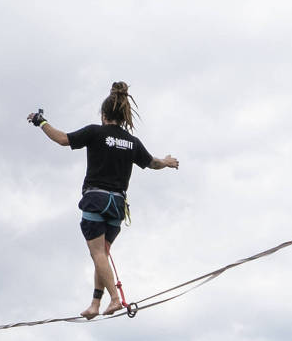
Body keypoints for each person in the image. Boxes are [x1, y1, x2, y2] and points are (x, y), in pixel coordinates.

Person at [30, 83, 180, 319]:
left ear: (103, 115)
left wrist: (41, 122)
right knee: (103, 253)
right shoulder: (132, 142)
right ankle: (95, 304)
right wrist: (167, 161)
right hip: (117, 207)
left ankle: (114, 298)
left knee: (98, 254)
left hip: (96, 200)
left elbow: (62, 139)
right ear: (122, 116)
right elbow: (152, 163)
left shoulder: (95, 132)